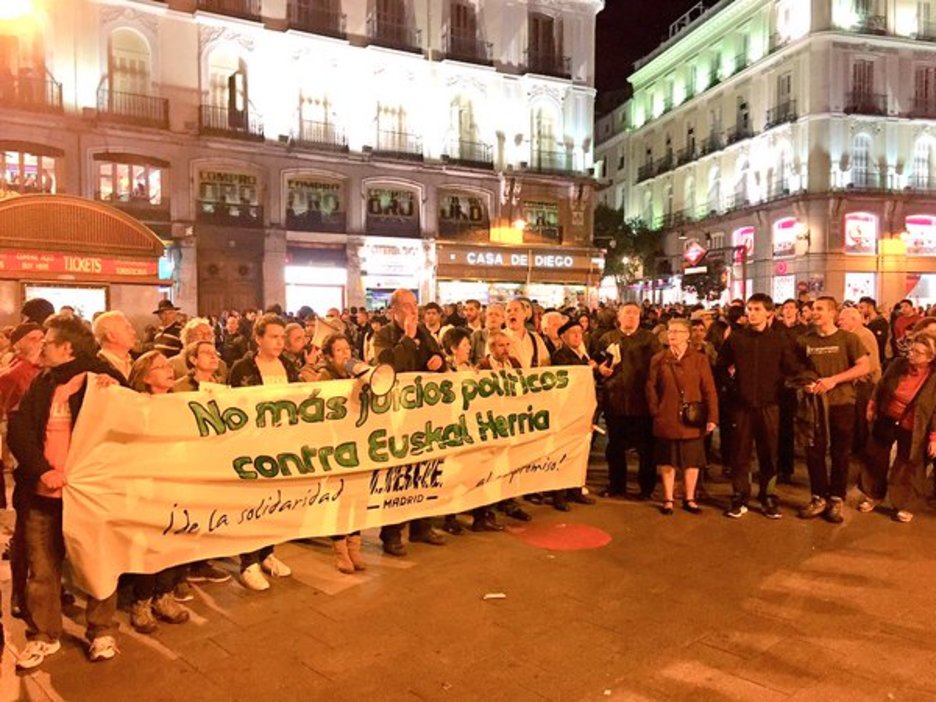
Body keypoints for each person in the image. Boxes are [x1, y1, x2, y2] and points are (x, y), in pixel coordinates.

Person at [10, 314, 125, 669]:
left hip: (90, 497)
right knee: (42, 570)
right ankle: (43, 635)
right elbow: (20, 431)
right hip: (43, 495)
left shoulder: (102, 379)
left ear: (67, 348)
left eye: (47, 342)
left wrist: (117, 394)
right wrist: (42, 471)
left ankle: (102, 629)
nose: (41, 347)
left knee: (98, 564)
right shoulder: (42, 383)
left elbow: (134, 422)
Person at [373, 289, 447, 556]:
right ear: (394, 310)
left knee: (425, 469)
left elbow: (440, 361)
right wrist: (407, 338)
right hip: (396, 415)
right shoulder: (383, 336)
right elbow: (388, 366)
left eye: (415, 305)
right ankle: (391, 533)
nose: (413, 311)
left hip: (422, 413)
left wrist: (440, 362)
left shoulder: (425, 332)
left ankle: (421, 526)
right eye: (407, 306)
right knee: (398, 475)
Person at [229, 314, 298, 590]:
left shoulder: (289, 367)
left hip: (282, 443)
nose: (280, 342)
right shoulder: (242, 368)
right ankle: (248, 562)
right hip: (253, 445)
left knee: (275, 500)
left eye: (282, 337)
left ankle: (268, 552)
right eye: (273, 336)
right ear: (258, 338)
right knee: (253, 503)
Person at [716, 294, 800, 519]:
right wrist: (733, 388)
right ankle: (740, 495)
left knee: (769, 453)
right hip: (742, 406)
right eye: (749, 309)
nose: (751, 313)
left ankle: (768, 496)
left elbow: (791, 368)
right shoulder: (736, 338)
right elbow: (721, 366)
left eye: (756, 309)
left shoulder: (779, 340)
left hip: (770, 405)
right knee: (740, 453)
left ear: (769, 313)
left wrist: (784, 388)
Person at [126, 351, 191, 632]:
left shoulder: (179, 403)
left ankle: (163, 595)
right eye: (160, 367)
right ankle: (141, 600)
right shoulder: (134, 406)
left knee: (174, 539)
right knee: (150, 543)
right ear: (145, 376)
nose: (168, 370)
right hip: (148, 484)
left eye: (168, 365)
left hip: (178, 479)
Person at [796, 296, 870, 523]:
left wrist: (834, 380)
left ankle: (836, 499)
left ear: (832, 313)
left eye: (820, 308)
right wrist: (805, 383)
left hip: (842, 403)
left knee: (840, 453)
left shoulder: (848, 339)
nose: (814, 312)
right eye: (812, 308)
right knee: (814, 452)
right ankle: (818, 497)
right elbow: (796, 370)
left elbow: (864, 366)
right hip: (814, 408)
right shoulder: (803, 340)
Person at [858, 331, 936, 523]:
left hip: (915, 423)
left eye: (918, 352)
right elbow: (882, 385)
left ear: (930, 357)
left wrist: (934, 436)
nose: (911, 354)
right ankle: (872, 494)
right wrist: (872, 405)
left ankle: (904, 503)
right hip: (888, 415)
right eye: (911, 349)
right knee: (876, 455)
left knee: (909, 463)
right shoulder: (898, 365)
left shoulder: (934, 377)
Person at [646, 318, 719, 515]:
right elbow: (651, 387)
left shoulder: (699, 359)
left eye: (677, 331)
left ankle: (690, 497)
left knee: (691, 460)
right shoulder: (659, 359)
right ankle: (668, 498)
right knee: (667, 461)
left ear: (687, 335)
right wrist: (655, 410)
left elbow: (709, 389)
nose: (672, 335)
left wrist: (712, 417)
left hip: (692, 418)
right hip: (666, 416)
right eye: (670, 331)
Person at [315, 334, 368, 573]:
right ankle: (340, 550)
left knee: (356, 496)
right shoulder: (325, 376)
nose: (345, 354)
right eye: (339, 351)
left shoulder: (356, 372)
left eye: (347, 349)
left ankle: (354, 547)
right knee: (338, 498)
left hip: (356, 441)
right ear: (328, 356)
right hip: (335, 444)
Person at [596, 303, 659, 500]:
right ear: (619, 317)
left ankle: (646, 488)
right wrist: (600, 370)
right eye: (628, 313)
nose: (632, 317)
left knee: (645, 449)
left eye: (635, 314)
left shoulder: (650, 339)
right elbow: (597, 363)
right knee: (615, 447)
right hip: (615, 401)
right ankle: (616, 485)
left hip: (641, 403)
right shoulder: (608, 338)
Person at [838, 306, 882, 457]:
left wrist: (854, 375)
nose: (839, 322)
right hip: (857, 383)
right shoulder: (852, 335)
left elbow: (872, 364)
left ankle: (862, 451)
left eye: (842, 319)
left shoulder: (863, 336)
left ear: (854, 320)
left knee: (862, 418)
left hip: (865, 384)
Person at [93, 311, 138, 382]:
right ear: (111, 336)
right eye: (127, 329)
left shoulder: (136, 361)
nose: (133, 332)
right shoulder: (96, 369)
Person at [504, 299, 550, 369]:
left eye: (516, 310)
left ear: (524, 314)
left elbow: (546, 364)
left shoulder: (535, 338)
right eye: (508, 311)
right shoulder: (497, 338)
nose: (512, 313)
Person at [858, 296, 889, 366]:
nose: (859, 310)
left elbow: (879, 341)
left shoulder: (881, 322)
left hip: (878, 358)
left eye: (862, 308)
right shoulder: (867, 322)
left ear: (871, 307)